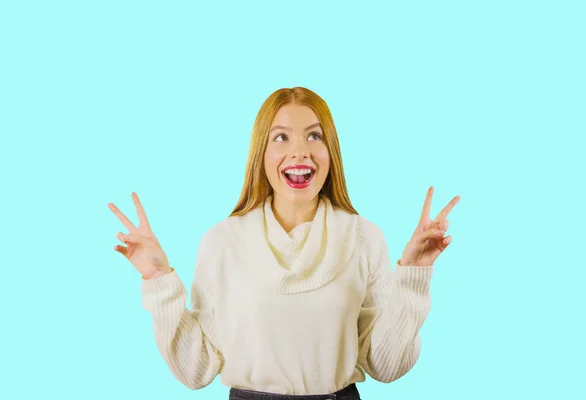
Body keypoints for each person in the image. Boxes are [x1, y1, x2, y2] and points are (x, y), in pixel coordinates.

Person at [108, 87, 460, 400]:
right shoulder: (223, 242)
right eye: (281, 138)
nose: (299, 152)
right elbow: (195, 370)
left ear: (331, 151)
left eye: (313, 137)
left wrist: (415, 272)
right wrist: (158, 278)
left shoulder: (364, 237)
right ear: (261, 153)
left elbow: (386, 366)